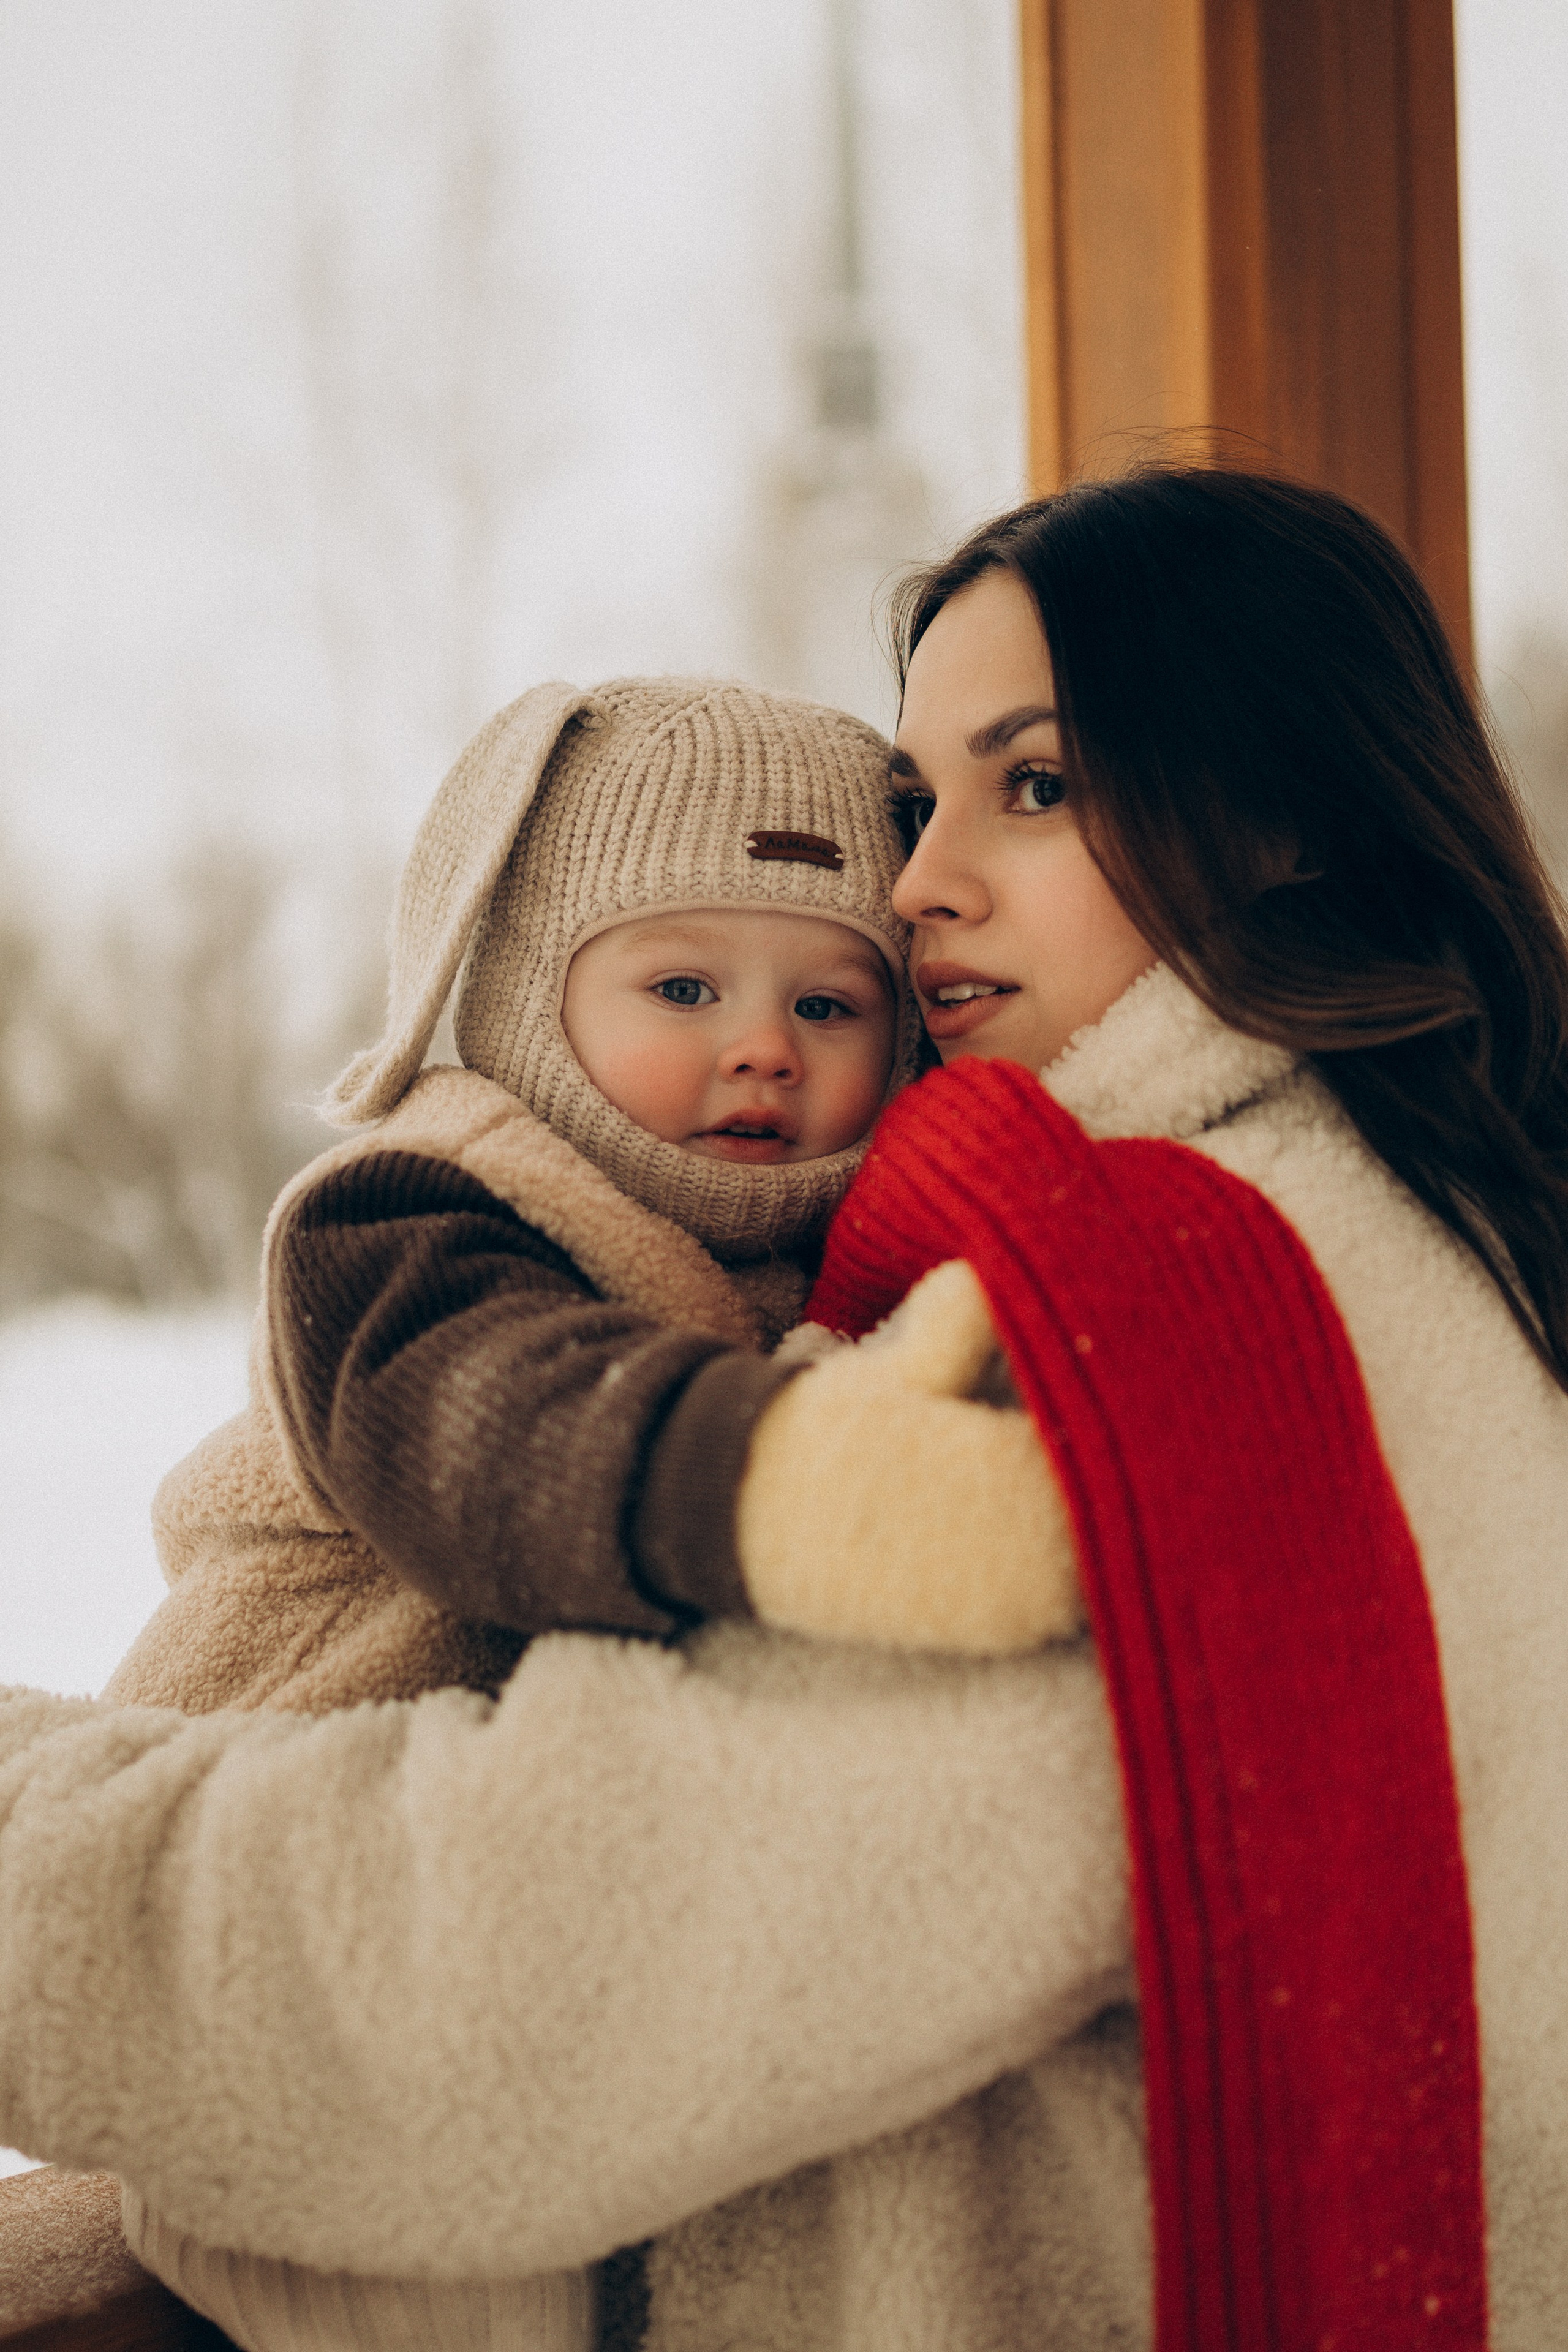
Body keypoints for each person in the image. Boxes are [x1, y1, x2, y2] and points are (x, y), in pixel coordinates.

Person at [2, 466, 1566, 2351]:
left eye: (1038, 784)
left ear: (1288, 820)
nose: (918, 885)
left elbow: (475, 1993)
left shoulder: (1170, 1337)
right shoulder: (1434, 1235)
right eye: (924, 803)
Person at [90, 673, 1076, 2350]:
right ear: (526, 989)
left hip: (533, 1986)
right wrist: (808, 1484)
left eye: (831, 1007)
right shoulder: (424, 1211)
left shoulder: (834, 1258)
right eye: (681, 985)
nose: (762, 1044)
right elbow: (500, 1444)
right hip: (282, 1935)